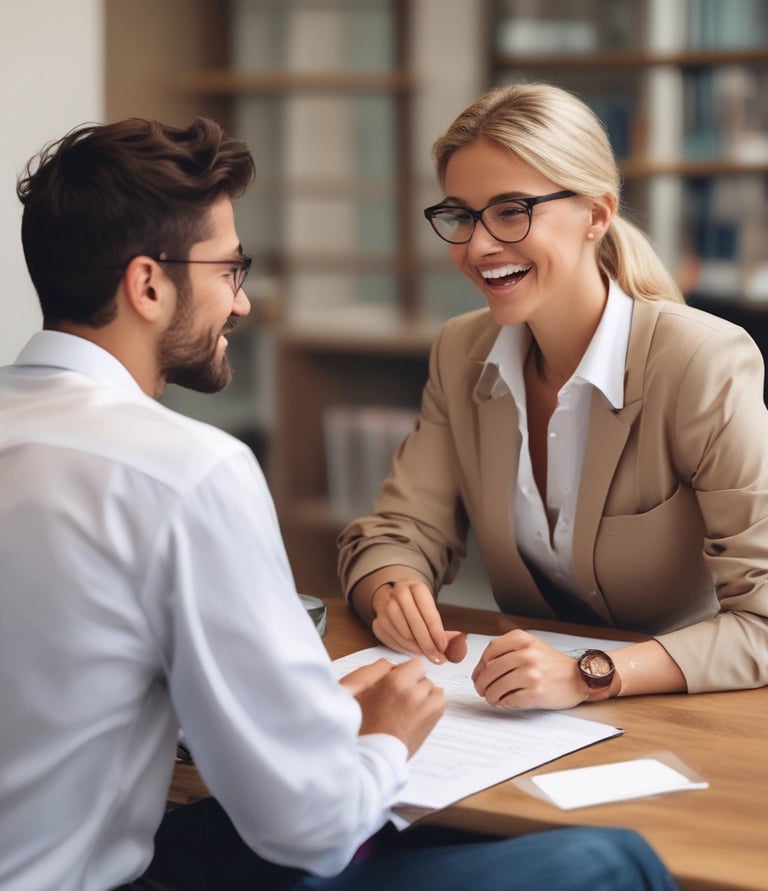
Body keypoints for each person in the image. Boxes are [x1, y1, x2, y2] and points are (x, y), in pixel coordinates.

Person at [0, 116, 679, 891]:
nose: (242, 304)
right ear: (148, 285)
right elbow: (314, 830)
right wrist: (386, 735)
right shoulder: (185, 473)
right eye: (231, 268)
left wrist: (299, 712)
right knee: (612, 862)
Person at [338, 81, 768, 711]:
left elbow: (762, 619)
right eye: (461, 215)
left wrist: (590, 673)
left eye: (511, 211)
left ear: (596, 215)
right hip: (521, 715)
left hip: (692, 711)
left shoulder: (701, 362)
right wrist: (392, 587)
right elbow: (399, 529)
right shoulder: (462, 353)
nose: (478, 246)